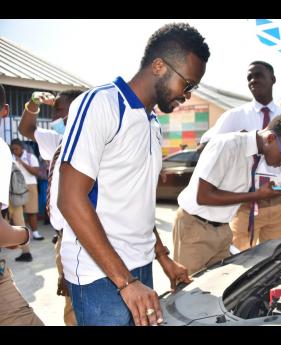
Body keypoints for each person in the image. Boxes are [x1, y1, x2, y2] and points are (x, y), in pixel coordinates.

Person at [57, 23, 209, 326]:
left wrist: (163, 257)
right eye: (188, 85)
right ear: (158, 66)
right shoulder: (100, 103)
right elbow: (70, 200)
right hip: (100, 276)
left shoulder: (153, 124)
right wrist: (125, 282)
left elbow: (137, 205)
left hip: (139, 268)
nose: (188, 96)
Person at [174, 113, 281, 274]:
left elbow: (230, 191)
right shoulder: (228, 145)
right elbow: (203, 196)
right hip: (196, 229)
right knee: (188, 293)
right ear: (271, 138)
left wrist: (266, 193)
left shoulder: (252, 155)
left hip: (222, 230)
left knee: (217, 288)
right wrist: (257, 196)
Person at [199, 61, 281, 251]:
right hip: (245, 206)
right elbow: (205, 145)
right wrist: (241, 141)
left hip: (280, 205)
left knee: (274, 262)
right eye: (249, 77)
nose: (253, 80)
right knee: (241, 265)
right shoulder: (234, 116)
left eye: (258, 75)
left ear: (273, 79)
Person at [18, 88, 83, 325]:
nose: (54, 118)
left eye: (59, 111)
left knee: (85, 305)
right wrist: (34, 103)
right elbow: (26, 129)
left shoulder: (92, 142)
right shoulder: (58, 140)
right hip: (63, 237)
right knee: (73, 307)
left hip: (84, 238)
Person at [0, 85, 43, 325]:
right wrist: (23, 237)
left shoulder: (26, 154)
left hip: (22, 191)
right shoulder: (1, 150)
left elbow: (37, 171)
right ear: (5, 110)